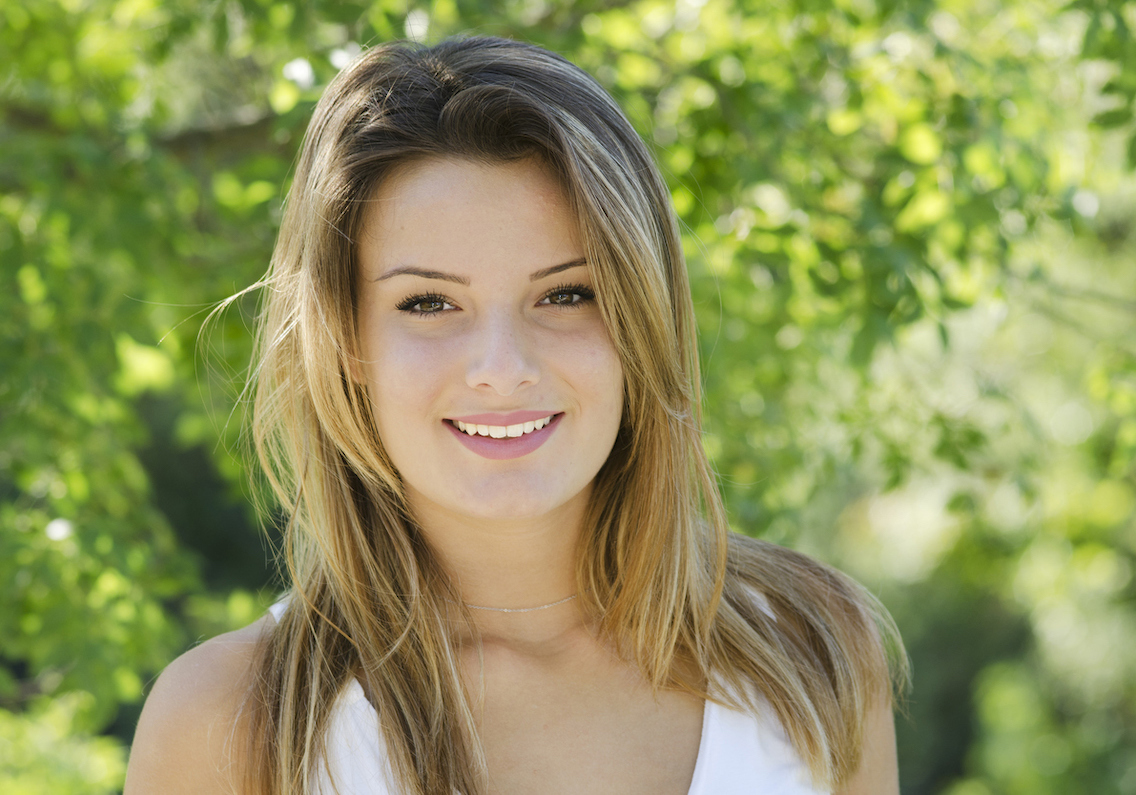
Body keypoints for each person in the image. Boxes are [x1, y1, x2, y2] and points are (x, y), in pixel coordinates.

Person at [124, 36, 907, 795]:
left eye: (567, 293)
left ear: (644, 318)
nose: (502, 369)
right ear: (345, 344)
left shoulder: (813, 649)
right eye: (428, 302)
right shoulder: (230, 721)